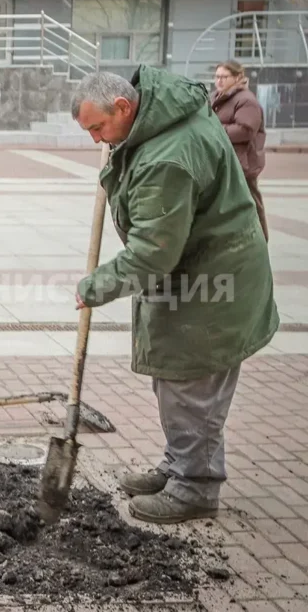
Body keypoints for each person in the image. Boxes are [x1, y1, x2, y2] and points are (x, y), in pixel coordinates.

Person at [70, 67, 279, 524]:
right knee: (178, 385)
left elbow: (152, 255)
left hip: (213, 288)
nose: (96, 140)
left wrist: (96, 286)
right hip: (200, 272)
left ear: (123, 106)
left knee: (192, 387)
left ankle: (195, 486)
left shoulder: (167, 158)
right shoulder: (161, 114)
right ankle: (179, 465)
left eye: (98, 128)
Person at [211, 60, 268, 241]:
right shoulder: (216, 97)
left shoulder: (246, 100)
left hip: (242, 163)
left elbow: (245, 130)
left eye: (224, 77)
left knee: (250, 204)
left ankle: (260, 241)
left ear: (237, 78)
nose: (219, 81)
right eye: (217, 76)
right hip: (224, 161)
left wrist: (214, 129)